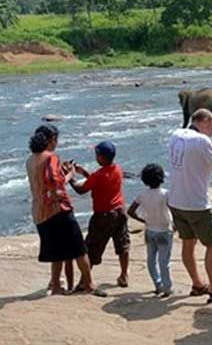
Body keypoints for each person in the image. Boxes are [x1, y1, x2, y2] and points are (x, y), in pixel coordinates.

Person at [167, 109, 212, 305]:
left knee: (188, 242)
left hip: (176, 200)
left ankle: (197, 283)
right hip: (197, 204)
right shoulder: (202, 141)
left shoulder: (175, 134)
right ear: (205, 121)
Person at [25, 125, 103, 296]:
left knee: (57, 252)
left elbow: (44, 180)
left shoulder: (31, 160)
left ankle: (56, 286)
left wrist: (62, 171)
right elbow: (54, 182)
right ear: (52, 139)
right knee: (79, 249)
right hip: (58, 210)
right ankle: (89, 284)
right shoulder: (51, 157)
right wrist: (70, 175)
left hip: (40, 212)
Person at [69, 141, 130, 288]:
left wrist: (70, 176)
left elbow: (81, 189)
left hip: (103, 215)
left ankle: (84, 281)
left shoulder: (98, 175)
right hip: (120, 211)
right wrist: (84, 172)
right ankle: (124, 275)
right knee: (122, 244)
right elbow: (99, 180)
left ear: (101, 157)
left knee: (92, 247)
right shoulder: (117, 169)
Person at [127, 164, 174, 297]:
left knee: (151, 260)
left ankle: (157, 284)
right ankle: (167, 287)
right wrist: (176, 225)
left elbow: (130, 211)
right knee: (164, 261)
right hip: (164, 230)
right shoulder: (165, 194)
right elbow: (174, 210)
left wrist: (143, 220)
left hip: (150, 229)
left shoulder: (142, 195)